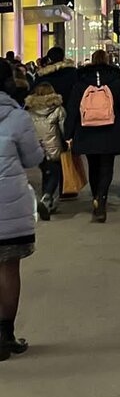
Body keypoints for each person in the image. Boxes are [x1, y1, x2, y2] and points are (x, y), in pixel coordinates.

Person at [0, 60, 44, 360]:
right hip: (10, 206)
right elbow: (33, 158)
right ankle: (5, 335)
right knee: (8, 268)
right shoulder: (17, 117)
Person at [65, 50, 120, 223]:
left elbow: (72, 109)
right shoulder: (116, 81)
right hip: (110, 130)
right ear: (107, 60)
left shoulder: (81, 82)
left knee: (93, 165)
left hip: (87, 130)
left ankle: (95, 196)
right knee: (106, 166)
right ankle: (101, 199)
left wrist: (68, 134)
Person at [25, 82, 66, 221]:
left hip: (37, 148)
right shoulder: (58, 109)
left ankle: (48, 204)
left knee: (45, 172)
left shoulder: (29, 110)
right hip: (54, 147)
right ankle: (47, 198)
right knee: (55, 174)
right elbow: (63, 129)